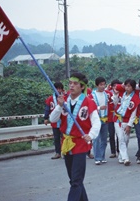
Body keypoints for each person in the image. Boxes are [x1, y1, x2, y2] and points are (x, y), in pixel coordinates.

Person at [50, 72, 100, 201]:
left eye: (75, 84)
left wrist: (91, 135)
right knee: (73, 180)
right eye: (70, 83)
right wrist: (59, 106)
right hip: (66, 142)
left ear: (82, 87)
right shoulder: (63, 101)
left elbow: (96, 122)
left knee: (76, 180)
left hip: (81, 144)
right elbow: (52, 119)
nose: (71, 86)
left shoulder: (89, 102)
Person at [114, 79, 140, 166]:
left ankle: (121, 157)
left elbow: (133, 114)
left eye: (129, 86)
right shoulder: (121, 94)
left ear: (133, 88)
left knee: (126, 140)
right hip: (117, 119)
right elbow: (115, 103)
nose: (127, 88)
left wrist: (129, 125)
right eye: (126, 86)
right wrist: (116, 95)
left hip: (127, 120)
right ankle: (126, 158)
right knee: (121, 138)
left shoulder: (135, 98)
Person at [89, 77, 112, 165]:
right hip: (96, 120)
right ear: (97, 85)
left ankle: (102, 156)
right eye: (101, 85)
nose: (103, 86)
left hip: (105, 118)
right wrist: (99, 108)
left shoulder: (107, 94)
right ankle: (97, 157)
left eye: (104, 84)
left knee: (104, 139)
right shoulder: (92, 95)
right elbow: (89, 107)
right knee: (96, 139)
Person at [44, 81, 65, 159]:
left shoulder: (65, 98)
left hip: (64, 121)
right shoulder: (50, 98)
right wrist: (46, 118)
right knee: (56, 138)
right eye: (57, 88)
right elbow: (47, 109)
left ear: (62, 89)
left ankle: (64, 152)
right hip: (55, 122)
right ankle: (57, 152)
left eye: (60, 89)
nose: (58, 90)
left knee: (64, 137)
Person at [108, 79, 122, 158]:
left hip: (118, 116)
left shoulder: (122, 94)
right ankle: (113, 151)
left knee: (119, 134)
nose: (115, 87)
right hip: (110, 117)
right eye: (113, 86)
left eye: (117, 86)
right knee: (111, 134)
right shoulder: (108, 94)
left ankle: (119, 150)